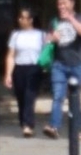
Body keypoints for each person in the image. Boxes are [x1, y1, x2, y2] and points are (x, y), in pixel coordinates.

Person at [47, 0, 81, 139]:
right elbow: (47, 39)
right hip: (58, 64)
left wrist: (70, 18)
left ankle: (76, 131)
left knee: (75, 98)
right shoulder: (54, 21)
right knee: (57, 96)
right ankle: (54, 127)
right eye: (59, 4)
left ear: (72, 3)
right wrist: (52, 38)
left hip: (76, 65)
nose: (61, 7)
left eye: (64, 3)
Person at [4, 8, 49, 136]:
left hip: (34, 67)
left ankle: (28, 125)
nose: (20, 20)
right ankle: (23, 122)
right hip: (19, 68)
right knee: (21, 97)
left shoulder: (41, 35)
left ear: (30, 20)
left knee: (30, 95)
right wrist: (8, 74)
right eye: (19, 17)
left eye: (23, 17)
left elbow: (47, 52)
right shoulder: (15, 35)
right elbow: (11, 55)